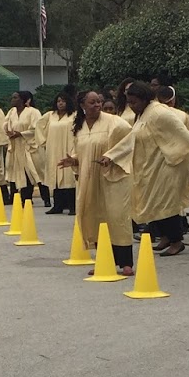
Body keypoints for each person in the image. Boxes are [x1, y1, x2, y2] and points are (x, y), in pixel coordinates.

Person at [105, 82, 189, 257]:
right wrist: (111, 156)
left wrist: (185, 154)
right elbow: (132, 138)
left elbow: (182, 134)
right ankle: (165, 237)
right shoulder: (144, 114)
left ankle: (176, 241)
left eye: (134, 102)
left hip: (171, 164)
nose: (132, 107)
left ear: (144, 99)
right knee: (152, 201)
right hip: (153, 165)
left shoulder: (159, 113)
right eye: (130, 103)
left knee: (165, 202)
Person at [63, 89, 135, 274]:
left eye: (99, 102)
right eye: (92, 102)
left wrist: (111, 156)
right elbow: (79, 151)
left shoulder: (114, 123)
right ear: (82, 106)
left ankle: (126, 263)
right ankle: (104, 260)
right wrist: (74, 160)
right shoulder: (79, 126)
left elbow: (129, 141)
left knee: (116, 216)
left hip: (112, 178)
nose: (97, 105)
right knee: (94, 215)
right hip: (89, 178)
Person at [36, 90, 77, 214]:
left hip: (68, 149)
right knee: (55, 177)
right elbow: (39, 126)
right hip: (53, 150)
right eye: (58, 101)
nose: (60, 103)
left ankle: (72, 206)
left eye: (63, 101)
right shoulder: (50, 115)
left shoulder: (74, 115)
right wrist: (43, 142)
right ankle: (57, 206)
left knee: (68, 178)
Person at [3, 89, 43, 203]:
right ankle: (15, 197)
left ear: (23, 100)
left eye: (15, 97)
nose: (12, 100)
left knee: (28, 172)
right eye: (12, 97)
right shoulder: (11, 112)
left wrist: (21, 134)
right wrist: (9, 133)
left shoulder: (33, 112)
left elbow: (36, 128)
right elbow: (5, 124)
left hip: (27, 146)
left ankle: (27, 198)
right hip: (15, 146)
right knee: (13, 171)